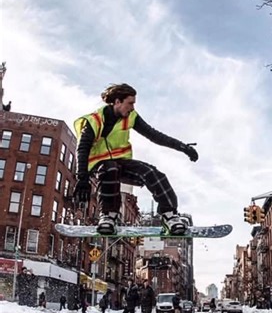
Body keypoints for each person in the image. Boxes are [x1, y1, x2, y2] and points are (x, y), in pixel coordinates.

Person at [73, 83, 198, 235]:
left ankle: (170, 216)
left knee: (151, 172)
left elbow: (154, 135)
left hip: (122, 162)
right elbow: (82, 148)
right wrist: (82, 178)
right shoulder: (94, 120)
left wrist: (183, 147)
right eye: (130, 103)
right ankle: (108, 216)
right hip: (99, 166)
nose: (132, 108)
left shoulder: (131, 116)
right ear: (117, 102)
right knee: (110, 168)